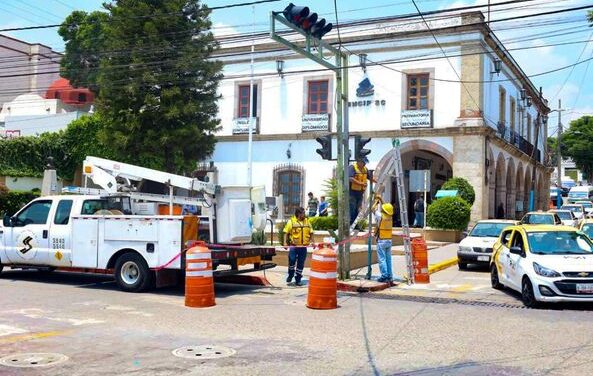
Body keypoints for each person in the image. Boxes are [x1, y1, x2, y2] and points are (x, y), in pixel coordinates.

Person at [283, 207, 312, 286]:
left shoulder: (307, 222)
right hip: (294, 246)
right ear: (299, 214)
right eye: (303, 213)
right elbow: (286, 232)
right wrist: (285, 243)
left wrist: (313, 242)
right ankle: (291, 274)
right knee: (292, 260)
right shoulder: (291, 222)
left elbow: (311, 232)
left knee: (301, 263)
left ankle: (298, 279)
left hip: (303, 247)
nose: (304, 214)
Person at [349, 157, 376, 225]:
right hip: (352, 192)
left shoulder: (365, 169)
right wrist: (360, 183)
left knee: (358, 209)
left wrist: (377, 181)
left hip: (360, 192)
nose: (364, 164)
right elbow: (350, 178)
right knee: (352, 208)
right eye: (363, 163)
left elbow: (370, 178)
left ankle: (356, 224)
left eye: (365, 163)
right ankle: (351, 224)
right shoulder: (352, 167)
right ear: (359, 162)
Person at [373, 196, 394, 283]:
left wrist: (376, 202)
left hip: (381, 240)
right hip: (389, 240)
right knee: (388, 259)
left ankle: (384, 276)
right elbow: (386, 207)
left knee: (382, 259)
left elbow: (372, 209)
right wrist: (381, 199)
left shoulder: (380, 216)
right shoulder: (390, 217)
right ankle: (389, 276)